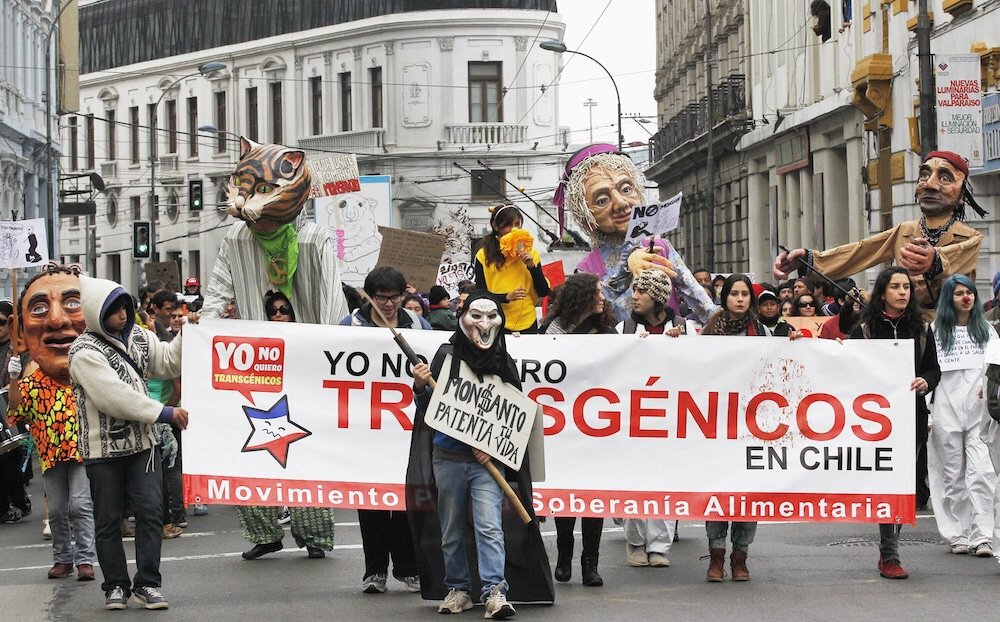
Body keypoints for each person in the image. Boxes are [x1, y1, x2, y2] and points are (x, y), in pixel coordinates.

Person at [407, 291, 552, 616]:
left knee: (489, 527)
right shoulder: (445, 357)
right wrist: (419, 387)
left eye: (490, 317)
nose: (483, 324)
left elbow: (515, 415)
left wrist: (493, 447)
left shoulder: (503, 361)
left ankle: (494, 592)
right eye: (476, 316)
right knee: (452, 529)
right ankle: (458, 589)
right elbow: (428, 408)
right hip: (447, 459)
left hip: (488, 464)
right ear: (463, 317)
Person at [68, 275, 191, 610]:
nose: (123, 314)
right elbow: (112, 397)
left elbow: (167, 361)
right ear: (96, 313)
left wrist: (187, 331)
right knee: (108, 520)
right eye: (114, 309)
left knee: (151, 512)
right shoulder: (83, 352)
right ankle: (115, 586)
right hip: (102, 450)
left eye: (125, 307)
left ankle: (148, 583)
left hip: (143, 446)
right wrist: (164, 412)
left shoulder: (139, 335)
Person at [775, 150, 985, 319]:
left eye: (945, 178)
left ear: (961, 197)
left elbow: (959, 256)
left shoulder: (970, 238)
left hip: (955, 331)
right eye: (924, 175)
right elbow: (861, 251)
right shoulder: (905, 231)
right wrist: (808, 259)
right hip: (908, 328)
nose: (930, 184)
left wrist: (935, 260)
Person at [555, 143, 717, 324]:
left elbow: (698, 299)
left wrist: (723, 323)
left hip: (670, 346)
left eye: (626, 189)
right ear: (586, 218)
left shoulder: (660, 248)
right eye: (602, 200)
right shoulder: (587, 269)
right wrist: (625, 270)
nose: (621, 203)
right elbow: (586, 316)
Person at [847, 267, 940, 580]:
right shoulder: (865, 331)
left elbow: (933, 370)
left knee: (900, 486)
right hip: (872, 422)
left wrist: (925, 382)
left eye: (907, 287)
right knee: (884, 484)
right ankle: (889, 553)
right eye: (896, 287)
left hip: (910, 417)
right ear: (883, 291)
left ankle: (890, 553)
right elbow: (846, 370)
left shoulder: (923, 330)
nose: (903, 292)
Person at [340, 267, 427, 594]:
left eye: (394, 297)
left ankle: (408, 567)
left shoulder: (417, 325)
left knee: (406, 503)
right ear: (369, 297)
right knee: (372, 503)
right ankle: (374, 571)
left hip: (405, 428)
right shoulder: (351, 325)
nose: (389, 304)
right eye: (381, 298)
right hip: (367, 430)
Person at [5, 273, 96, 580]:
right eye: (41, 309)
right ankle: (63, 559)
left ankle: (85, 560)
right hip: (51, 453)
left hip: (82, 450)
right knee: (56, 510)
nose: (57, 320)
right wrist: (14, 377)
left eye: (73, 303)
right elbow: (16, 411)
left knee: (80, 506)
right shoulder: (34, 380)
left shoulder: (87, 372)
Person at [201, 137, 347, 325]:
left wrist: (331, 346)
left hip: (306, 347)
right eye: (238, 182)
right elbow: (217, 292)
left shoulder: (313, 239)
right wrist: (201, 328)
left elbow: (333, 305)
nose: (240, 201)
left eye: (262, 189)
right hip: (258, 348)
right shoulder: (237, 237)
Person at [237, 291, 335, 561]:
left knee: (308, 478)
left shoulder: (311, 340)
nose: (278, 315)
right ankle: (265, 538)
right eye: (273, 311)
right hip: (262, 419)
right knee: (248, 477)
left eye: (285, 309)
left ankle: (315, 539)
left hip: (304, 418)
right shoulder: (255, 342)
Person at [541, 272, 617, 586]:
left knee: (592, 496)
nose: (602, 298)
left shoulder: (609, 333)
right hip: (562, 426)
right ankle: (564, 555)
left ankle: (590, 563)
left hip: (597, 427)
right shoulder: (551, 331)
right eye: (597, 292)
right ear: (582, 296)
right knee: (566, 493)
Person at [699, 274, 771, 581]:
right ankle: (716, 556)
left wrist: (792, 345)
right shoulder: (710, 331)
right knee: (718, 492)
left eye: (745, 294)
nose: (740, 299)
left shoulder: (764, 332)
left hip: (753, 424)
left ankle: (740, 557)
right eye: (734, 294)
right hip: (717, 424)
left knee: (747, 495)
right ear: (725, 297)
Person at [927, 275, 998, 557]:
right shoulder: (935, 331)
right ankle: (959, 532)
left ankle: (983, 535)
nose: (966, 298)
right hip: (946, 408)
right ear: (949, 299)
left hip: (979, 410)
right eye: (958, 294)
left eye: (969, 293)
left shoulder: (987, 332)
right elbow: (929, 371)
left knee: (982, 472)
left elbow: (994, 371)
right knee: (952, 473)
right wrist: (930, 412)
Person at [616, 269, 679, 567]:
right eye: (634, 290)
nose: (635, 296)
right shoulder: (623, 329)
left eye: (641, 291)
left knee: (666, 480)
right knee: (634, 479)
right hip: (632, 420)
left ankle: (659, 546)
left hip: (671, 419)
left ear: (657, 297)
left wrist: (680, 346)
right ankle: (636, 541)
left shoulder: (683, 328)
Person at [474, 204, 551, 334]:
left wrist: (532, 267)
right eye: (508, 225)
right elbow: (481, 295)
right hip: (496, 321)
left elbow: (543, 291)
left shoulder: (532, 254)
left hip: (527, 321)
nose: (514, 230)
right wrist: (506, 297)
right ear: (495, 226)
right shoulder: (483, 256)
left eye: (517, 224)